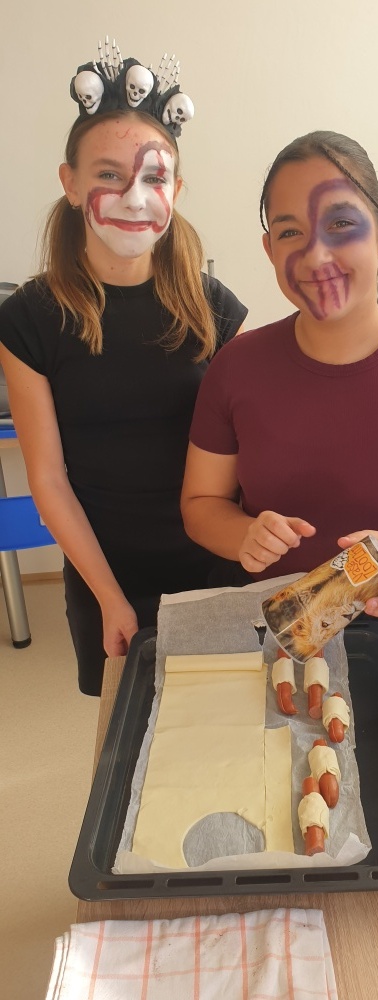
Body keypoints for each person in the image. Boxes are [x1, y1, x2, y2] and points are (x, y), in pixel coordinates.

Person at [181, 130, 378, 630]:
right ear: (269, 249)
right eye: (290, 232)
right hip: (260, 614)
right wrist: (243, 535)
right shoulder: (235, 368)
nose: (316, 256)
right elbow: (201, 504)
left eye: (340, 224)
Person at [0, 43, 247, 695]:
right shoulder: (28, 319)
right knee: (128, 729)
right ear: (70, 182)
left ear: (176, 190)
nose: (134, 198)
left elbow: (254, 447)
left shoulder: (215, 308)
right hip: (105, 571)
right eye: (109, 175)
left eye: (154, 179)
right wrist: (110, 597)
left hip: (213, 563)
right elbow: (48, 480)